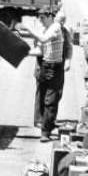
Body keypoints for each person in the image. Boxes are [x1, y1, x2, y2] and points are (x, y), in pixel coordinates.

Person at [29, 10, 70, 142]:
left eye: (42, 18)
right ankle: (45, 124)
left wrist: (29, 30)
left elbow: (43, 39)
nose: (40, 21)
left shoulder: (56, 27)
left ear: (50, 17)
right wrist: (21, 51)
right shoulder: (45, 28)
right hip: (45, 66)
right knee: (42, 97)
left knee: (50, 100)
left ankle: (45, 132)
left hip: (54, 67)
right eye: (39, 18)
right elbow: (39, 50)